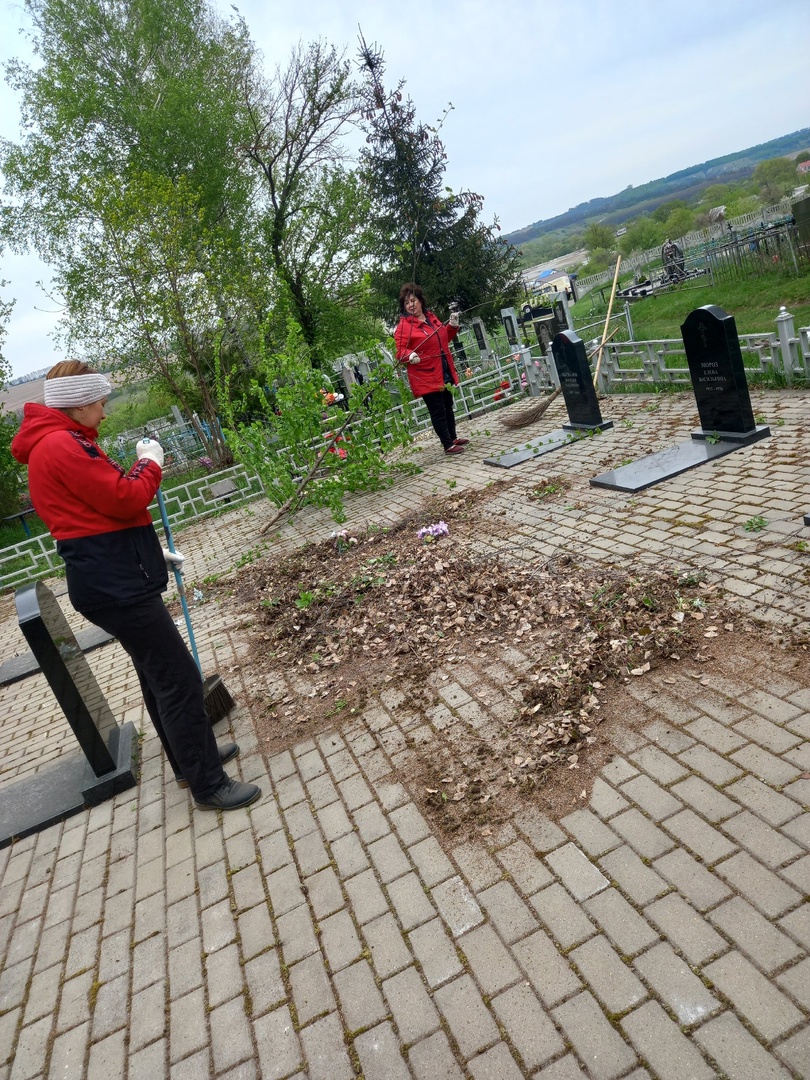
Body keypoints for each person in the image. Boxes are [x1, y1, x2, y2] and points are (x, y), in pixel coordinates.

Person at [10, 361, 261, 812]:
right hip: (115, 585)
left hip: (113, 574)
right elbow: (126, 498)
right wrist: (150, 463)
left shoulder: (65, 442)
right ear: (80, 402)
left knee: (157, 674)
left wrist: (147, 550)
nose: (105, 412)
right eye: (101, 403)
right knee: (179, 678)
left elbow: (97, 512)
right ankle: (209, 784)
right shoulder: (61, 446)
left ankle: (189, 762)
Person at [394, 283, 469, 455]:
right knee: (438, 409)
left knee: (448, 405)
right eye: (407, 303)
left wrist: (452, 326)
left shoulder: (431, 317)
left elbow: (442, 340)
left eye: (413, 300)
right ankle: (447, 444)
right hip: (426, 374)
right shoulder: (405, 327)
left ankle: (453, 437)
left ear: (420, 300)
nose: (411, 305)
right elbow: (399, 352)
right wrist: (410, 356)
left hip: (443, 369)